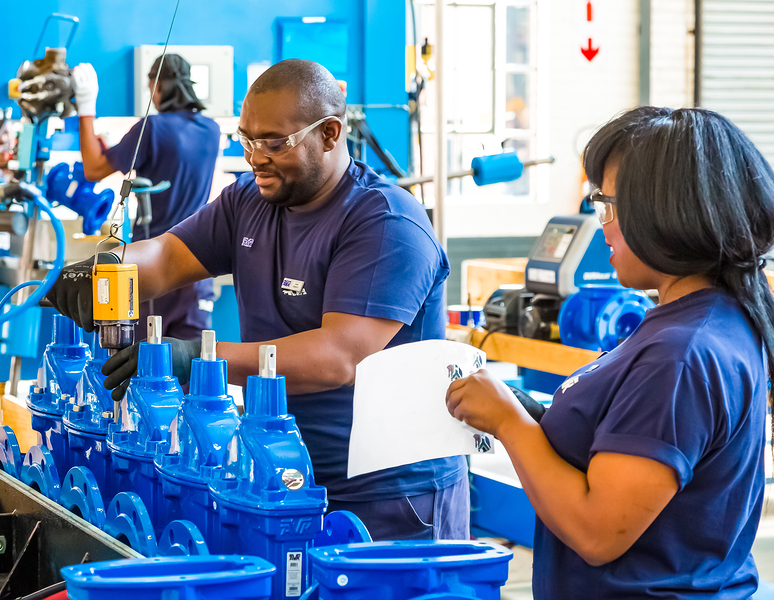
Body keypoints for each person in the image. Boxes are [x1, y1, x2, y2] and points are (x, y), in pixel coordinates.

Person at [46, 58, 469, 541]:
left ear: (330, 133)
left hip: (390, 497)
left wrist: (197, 359)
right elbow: (164, 257)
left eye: (274, 143)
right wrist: (105, 272)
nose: (254, 157)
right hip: (282, 475)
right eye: (246, 140)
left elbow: (339, 357)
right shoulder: (248, 200)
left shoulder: (385, 223)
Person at [446, 107, 774, 598]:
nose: (603, 227)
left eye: (609, 207)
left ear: (667, 212)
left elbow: (598, 532)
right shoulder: (706, 317)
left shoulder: (680, 354)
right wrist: (532, 411)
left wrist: (509, 424)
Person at [71, 54, 220, 341]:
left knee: (143, 364)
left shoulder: (151, 128)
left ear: (156, 85)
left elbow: (93, 169)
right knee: (193, 364)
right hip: (198, 266)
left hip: (156, 263)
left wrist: (85, 106)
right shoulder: (211, 130)